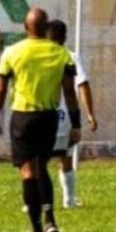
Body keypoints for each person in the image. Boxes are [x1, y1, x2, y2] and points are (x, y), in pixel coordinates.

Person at [0, 8, 80, 232]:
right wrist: (76, 123)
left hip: (22, 117)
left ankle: (37, 229)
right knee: (42, 167)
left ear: (25, 27)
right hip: (49, 116)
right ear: (46, 26)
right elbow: (69, 90)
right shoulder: (62, 54)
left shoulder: (12, 52)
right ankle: (50, 219)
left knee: (28, 172)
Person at [45, 20, 98, 209]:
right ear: (65, 37)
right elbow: (82, 85)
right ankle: (69, 200)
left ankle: (35, 202)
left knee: (37, 162)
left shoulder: (37, 58)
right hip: (65, 118)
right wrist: (90, 114)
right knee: (65, 159)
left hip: (40, 116)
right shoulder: (70, 56)